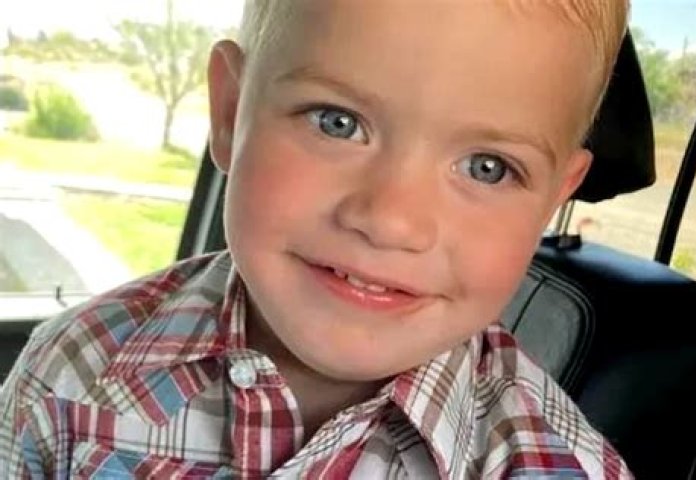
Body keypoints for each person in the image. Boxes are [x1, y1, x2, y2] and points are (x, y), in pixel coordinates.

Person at [0, 0, 633, 477]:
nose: (391, 220)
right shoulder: (72, 373)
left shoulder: (558, 467)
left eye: (487, 167)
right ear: (230, 112)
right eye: (338, 123)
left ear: (554, 199)